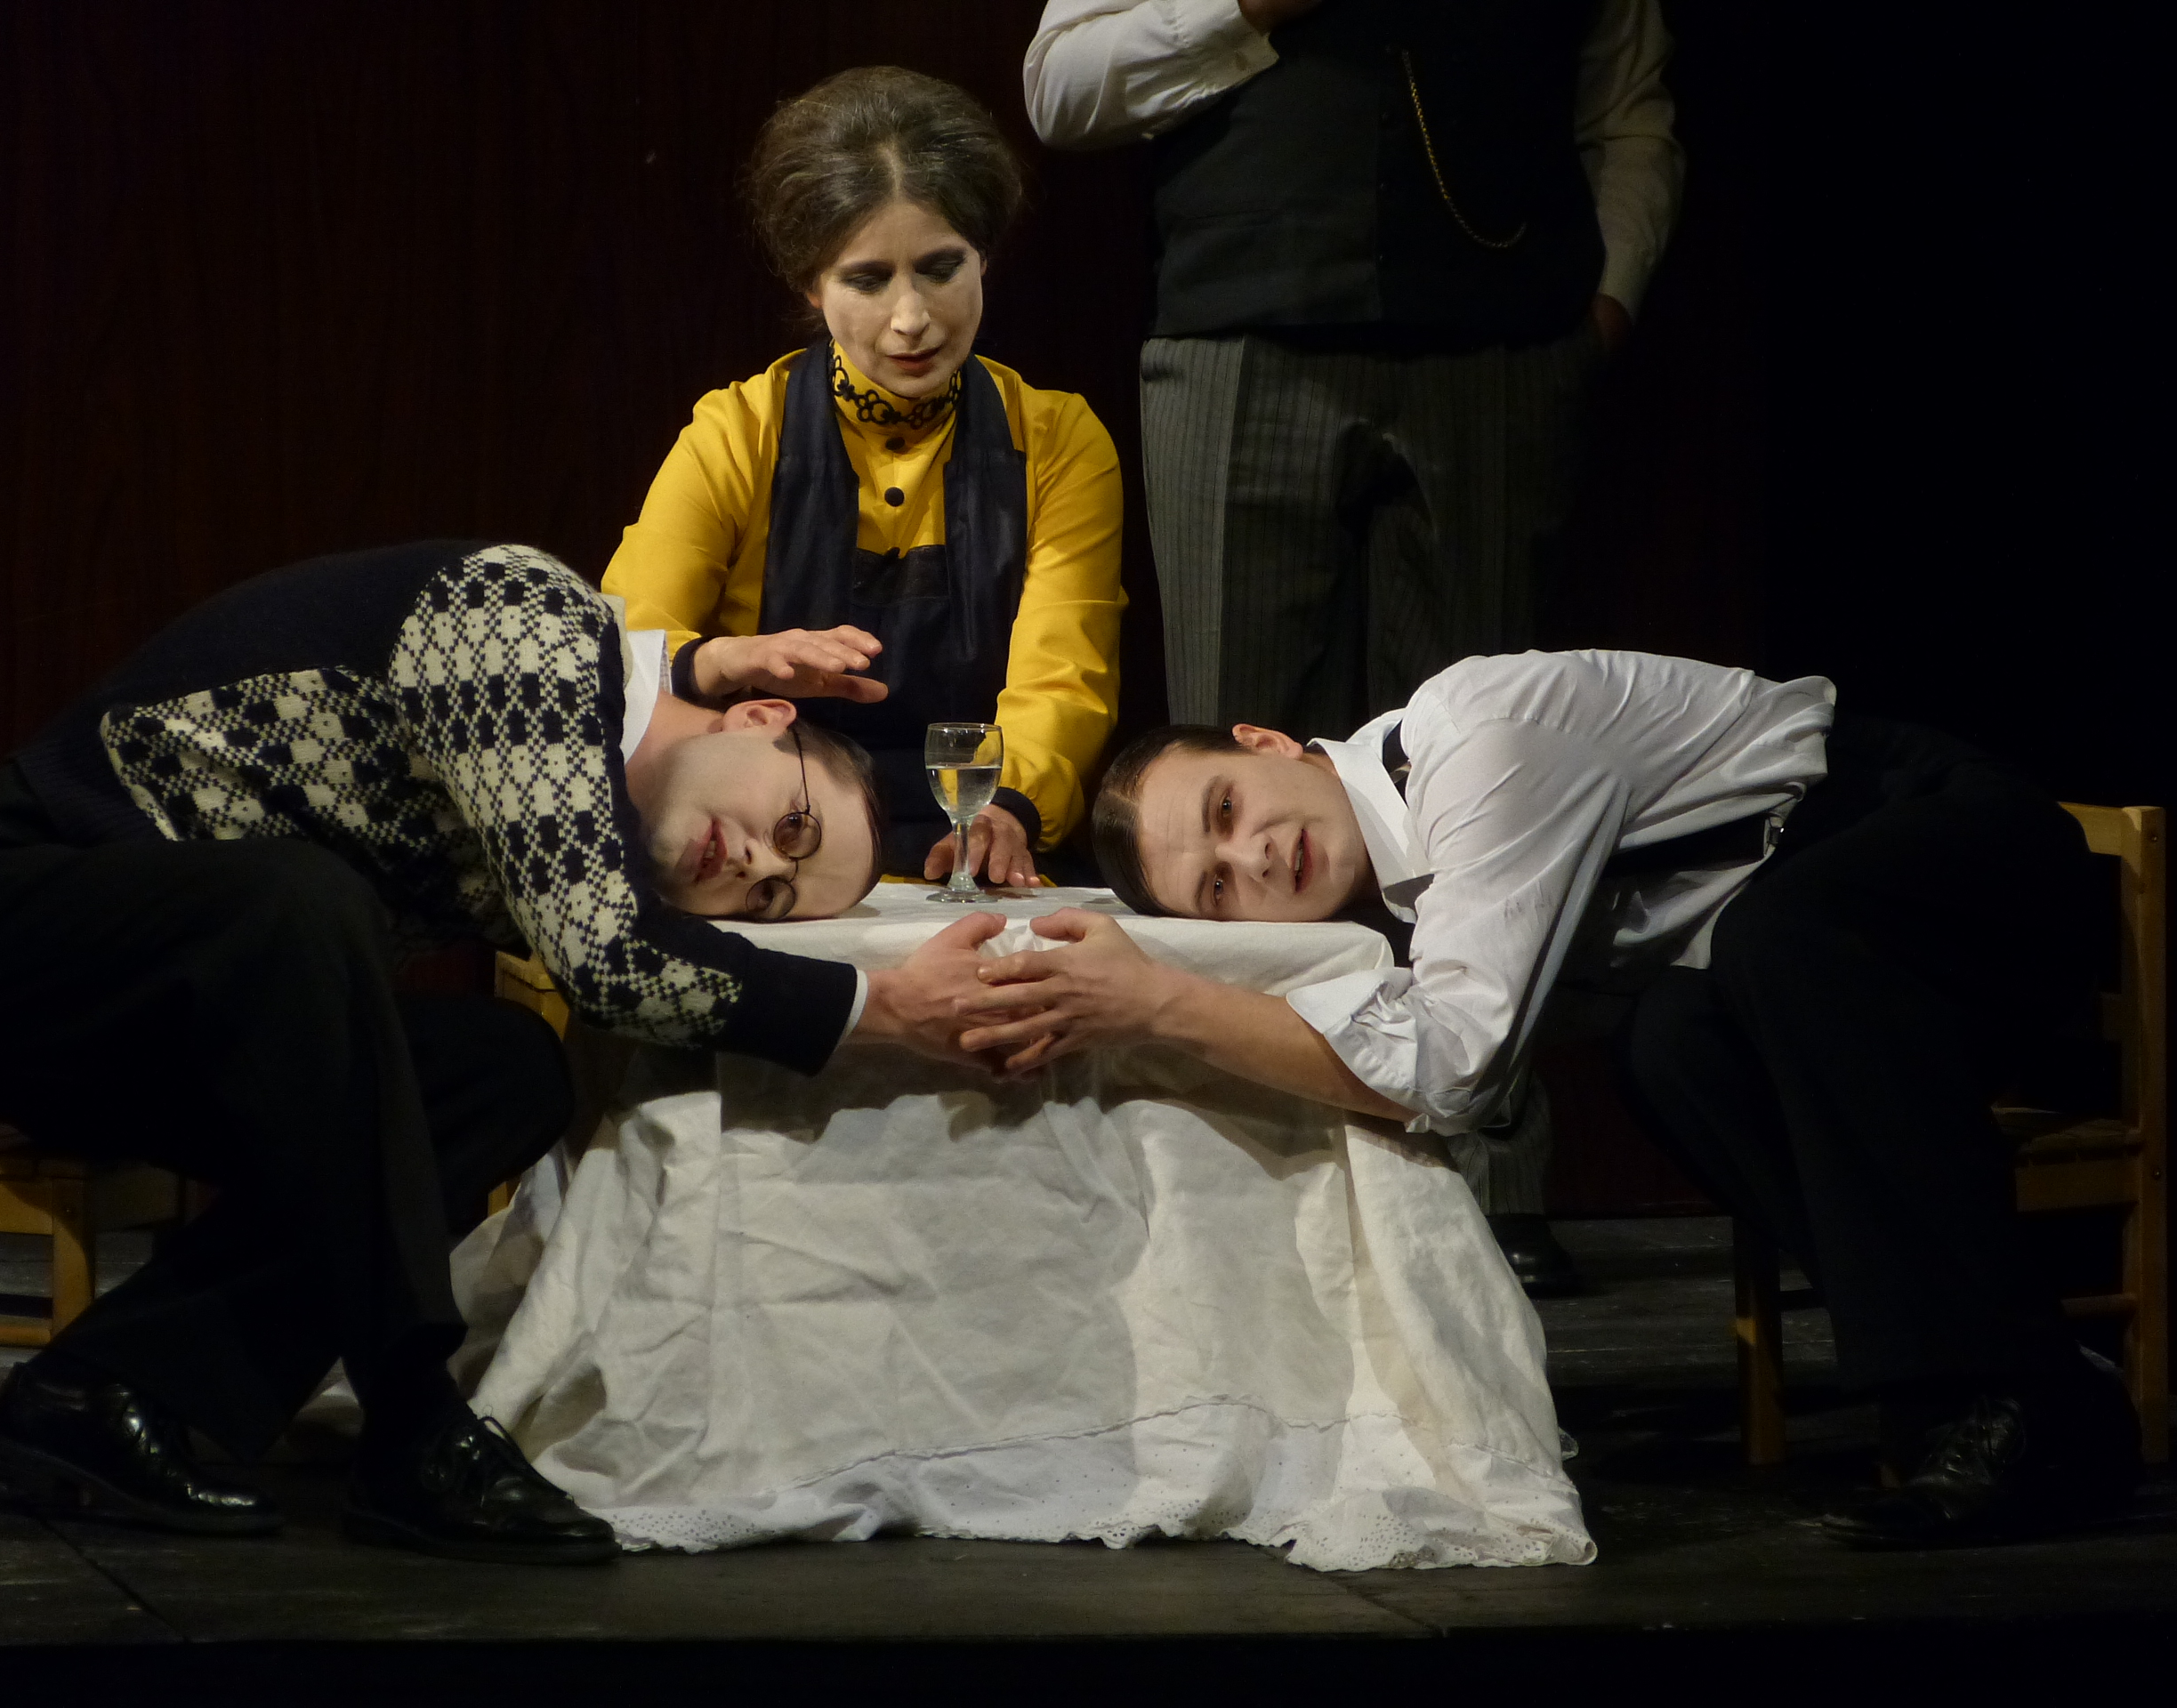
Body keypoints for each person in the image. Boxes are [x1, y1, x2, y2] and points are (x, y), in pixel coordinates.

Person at [0, 540, 999, 1564]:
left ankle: (106, 1386)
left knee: (500, 1071)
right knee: (297, 900)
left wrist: (695, 674)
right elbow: (610, 960)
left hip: (174, 1033)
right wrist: (884, 1007)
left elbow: (617, 901)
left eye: (770, 897)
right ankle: (415, 1425)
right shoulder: (525, 616)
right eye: (791, 826)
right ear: (759, 713)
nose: (754, 863)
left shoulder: (589, 783)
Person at [954, 648, 2146, 1547]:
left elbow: (1453, 1072)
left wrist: (1157, 1002)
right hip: (1821, 952)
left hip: (1962, 849)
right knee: (1670, 1047)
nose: (1255, 855)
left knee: (1775, 949)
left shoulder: (1478, 750)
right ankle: (1997, 1390)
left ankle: (2014, 1393)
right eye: (1218, 888)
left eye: (1227, 810)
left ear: (1268, 743)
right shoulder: (1398, 889)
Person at [1025, 0, 1683, 1288]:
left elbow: (1627, 106)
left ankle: (1493, 1193)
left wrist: (1607, 302)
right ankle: (1245, 1186)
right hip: (1239, 338)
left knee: (1487, 799)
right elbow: (1062, 86)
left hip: (1498, 345)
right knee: (1228, 812)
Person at [606, 66, 1126, 885]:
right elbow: (618, 661)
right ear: (810, 284)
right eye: (868, 279)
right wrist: (724, 661)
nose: (911, 318)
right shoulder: (738, 432)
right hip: (765, 849)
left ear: (985, 256)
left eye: (941, 267)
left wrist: (1007, 812)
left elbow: (1066, 679)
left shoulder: (1059, 441)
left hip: (980, 845)